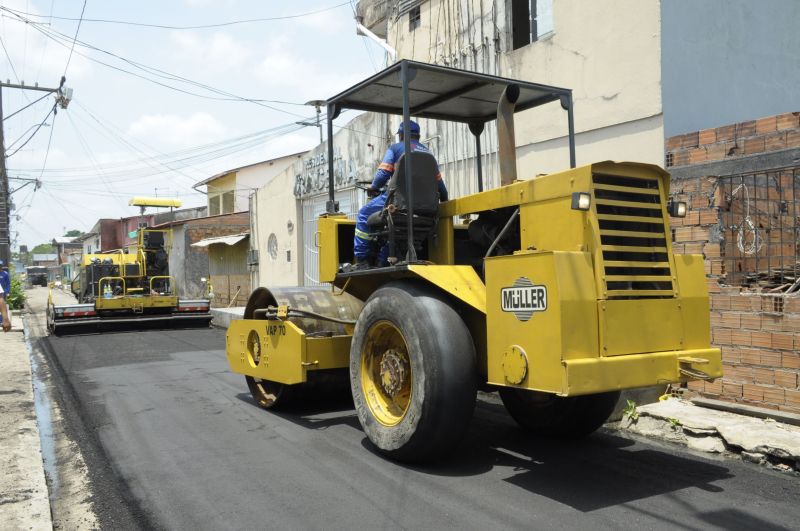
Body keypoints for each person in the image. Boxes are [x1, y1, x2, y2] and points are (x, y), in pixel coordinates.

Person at [353, 120, 448, 267]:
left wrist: (374, 187)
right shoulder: (429, 155)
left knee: (364, 214)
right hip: (426, 210)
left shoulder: (395, 149)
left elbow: (382, 176)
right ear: (418, 136)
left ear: (402, 135)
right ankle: (383, 259)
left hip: (398, 203)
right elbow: (441, 189)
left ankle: (362, 259)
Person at [0, 261, 9, 329]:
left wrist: (6, 291)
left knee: (2, 307)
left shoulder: (5, 274)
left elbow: (8, 284)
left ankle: (2, 321)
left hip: (2, 293)